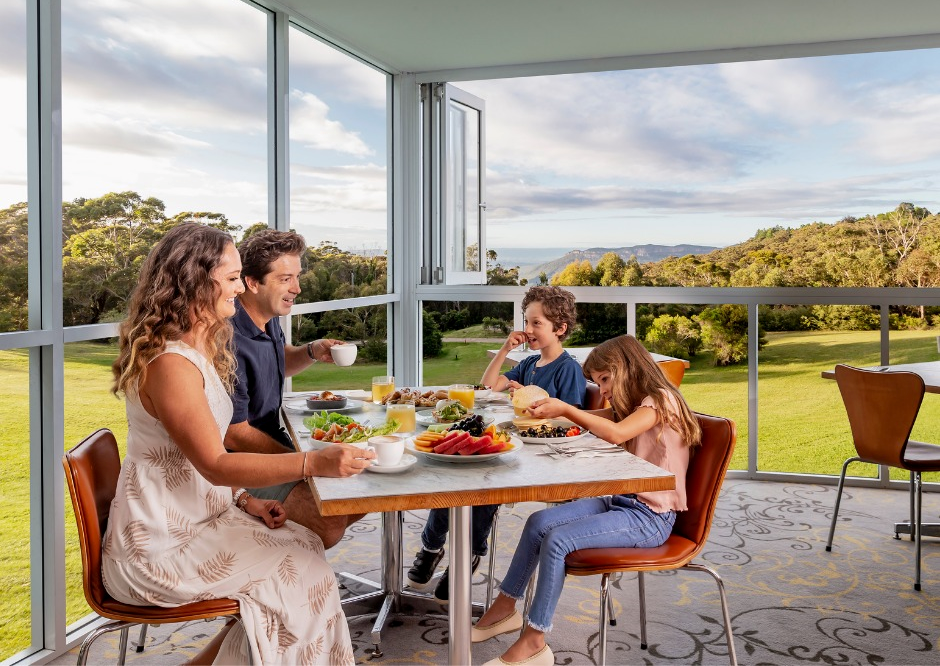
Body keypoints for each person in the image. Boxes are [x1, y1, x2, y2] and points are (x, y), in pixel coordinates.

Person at [102, 223, 374, 665]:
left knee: (304, 550)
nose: (238, 288)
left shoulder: (199, 348)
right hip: (161, 547)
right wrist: (311, 463)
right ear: (196, 282)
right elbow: (213, 461)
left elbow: (198, 460)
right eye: (231, 278)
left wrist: (247, 501)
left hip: (200, 520)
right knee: (305, 573)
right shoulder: (171, 363)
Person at [471, 334, 701, 666]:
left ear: (626, 368)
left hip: (651, 517)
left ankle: (534, 641)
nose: (602, 391)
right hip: (623, 503)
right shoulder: (637, 405)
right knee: (539, 522)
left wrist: (565, 407)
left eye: (604, 380)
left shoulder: (661, 400)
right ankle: (505, 609)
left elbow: (617, 434)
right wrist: (547, 413)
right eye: (597, 383)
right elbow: (593, 423)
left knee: (558, 540)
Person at [406, 286, 587, 601]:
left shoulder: (567, 368)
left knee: (485, 482)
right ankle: (432, 545)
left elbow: (569, 420)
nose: (527, 330)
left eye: (536, 323)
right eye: (526, 322)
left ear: (560, 329)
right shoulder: (530, 364)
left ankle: (469, 555)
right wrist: (504, 350)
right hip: (513, 443)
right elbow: (488, 386)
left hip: (541, 455)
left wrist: (535, 399)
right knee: (455, 470)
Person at [224, 228, 358, 548]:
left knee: (360, 483)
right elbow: (233, 433)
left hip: (275, 443)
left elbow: (277, 359)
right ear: (251, 282)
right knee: (331, 520)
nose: (296, 288)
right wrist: (301, 464)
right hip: (240, 462)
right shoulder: (228, 340)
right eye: (285, 279)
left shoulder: (267, 316)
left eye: (296, 277)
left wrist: (311, 351)